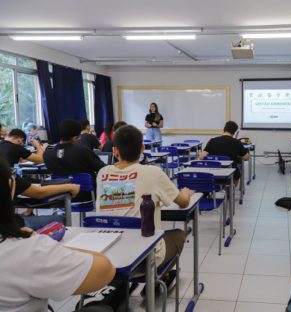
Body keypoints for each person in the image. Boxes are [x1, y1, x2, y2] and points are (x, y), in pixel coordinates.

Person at [0, 159, 115, 312]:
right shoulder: (26, 250)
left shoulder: (49, 153)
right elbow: (106, 270)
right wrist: (47, 246)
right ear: (10, 185)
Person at [96, 125, 192, 292]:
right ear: (142, 148)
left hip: (108, 254)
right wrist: (186, 191)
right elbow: (183, 203)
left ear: (115, 151)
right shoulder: (153, 172)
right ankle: (155, 281)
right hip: (144, 258)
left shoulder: (102, 173)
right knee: (179, 235)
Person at [13, 173, 80, 230]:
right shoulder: (8, 173)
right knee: (60, 219)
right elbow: (39, 193)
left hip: (8, 221)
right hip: (10, 225)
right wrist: (71, 187)